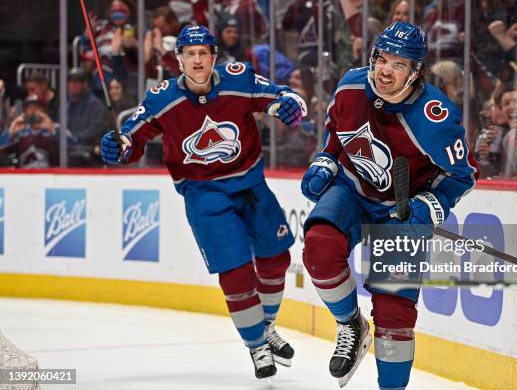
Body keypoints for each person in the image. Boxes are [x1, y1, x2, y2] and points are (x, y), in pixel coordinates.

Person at [99, 25, 308, 379]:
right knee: (236, 272)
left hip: (251, 185)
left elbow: (284, 97)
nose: (197, 59)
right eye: (189, 54)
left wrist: (290, 107)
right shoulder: (162, 98)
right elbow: (131, 141)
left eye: (203, 53)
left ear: (213, 56)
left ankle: (266, 326)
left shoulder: (238, 79)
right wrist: (117, 147)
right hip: (204, 193)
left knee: (276, 259)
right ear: (178, 60)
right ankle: (257, 345)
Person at [300, 21, 478, 389]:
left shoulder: (435, 118)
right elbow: (336, 133)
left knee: (395, 315)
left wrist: (430, 204)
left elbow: (464, 175)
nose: (385, 70)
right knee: (319, 246)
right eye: (382, 58)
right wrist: (326, 160)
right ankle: (351, 324)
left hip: (403, 207)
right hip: (351, 190)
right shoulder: (350, 84)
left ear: (415, 73)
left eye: (399, 64)